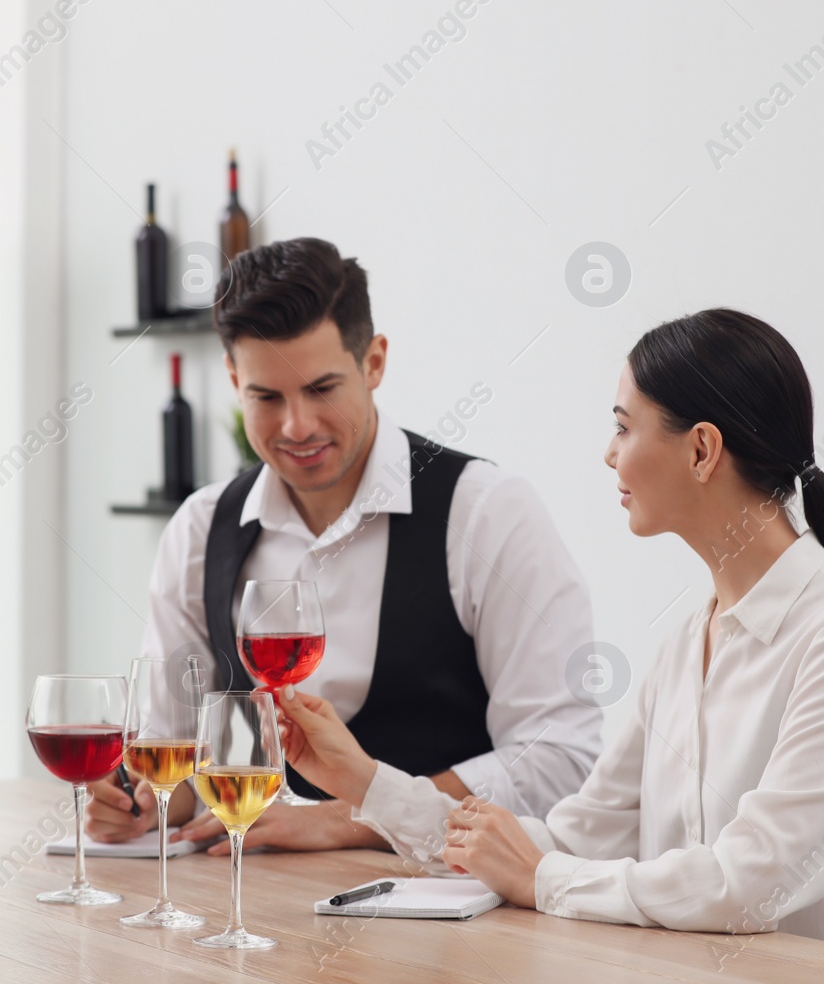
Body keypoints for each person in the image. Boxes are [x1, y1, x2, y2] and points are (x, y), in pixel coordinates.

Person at [271, 308, 824, 965]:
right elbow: (576, 837)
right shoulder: (690, 640)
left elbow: (755, 882)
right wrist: (362, 778)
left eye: (625, 428)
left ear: (701, 449)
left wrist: (544, 879)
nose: (608, 455)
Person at [87, 237, 602, 853]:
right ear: (233, 379)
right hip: (246, 907)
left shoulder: (487, 512)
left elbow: (561, 759)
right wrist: (147, 803)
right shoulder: (200, 529)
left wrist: (349, 819)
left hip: (440, 914)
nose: (296, 426)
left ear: (374, 362)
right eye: (266, 397)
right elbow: (176, 750)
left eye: (322, 389)